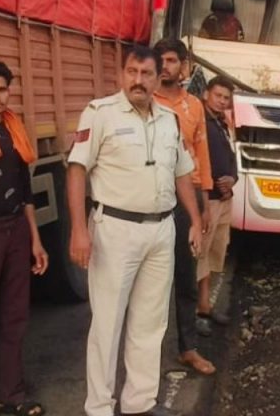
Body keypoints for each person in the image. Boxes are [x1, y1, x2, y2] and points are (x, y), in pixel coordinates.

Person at [68, 45, 204, 416]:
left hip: (162, 230)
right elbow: (77, 169)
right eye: (131, 72)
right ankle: (99, 407)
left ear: (158, 77)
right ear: (122, 73)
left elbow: (181, 173)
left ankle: (139, 404)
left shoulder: (168, 120)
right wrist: (79, 229)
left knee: (150, 322)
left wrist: (194, 219)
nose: (137, 81)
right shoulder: (100, 114)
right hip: (115, 230)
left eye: (145, 74)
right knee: (107, 324)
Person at [0, 60, 49, 416]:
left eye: (2, 89)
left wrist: (35, 240)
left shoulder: (13, 129)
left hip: (16, 227)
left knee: (15, 314)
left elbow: (26, 190)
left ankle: (10, 393)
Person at [152, 38, 216, 376]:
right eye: (160, 60)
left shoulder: (194, 105)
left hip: (186, 201)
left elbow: (201, 155)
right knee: (151, 282)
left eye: (172, 60)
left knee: (186, 279)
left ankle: (187, 348)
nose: (166, 67)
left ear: (184, 65)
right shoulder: (146, 101)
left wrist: (204, 204)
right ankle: (144, 352)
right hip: (152, 199)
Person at [196, 76, 237, 335]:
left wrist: (232, 179)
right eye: (218, 95)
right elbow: (194, 162)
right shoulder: (198, 120)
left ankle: (205, 304)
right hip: (207, 200)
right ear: (206, 94)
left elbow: (233, 158)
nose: (222, 101)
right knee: (199, 255)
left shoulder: (224, 122)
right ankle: (195, 313)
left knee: (214, 254)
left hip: (224, 198)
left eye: (226, 98)